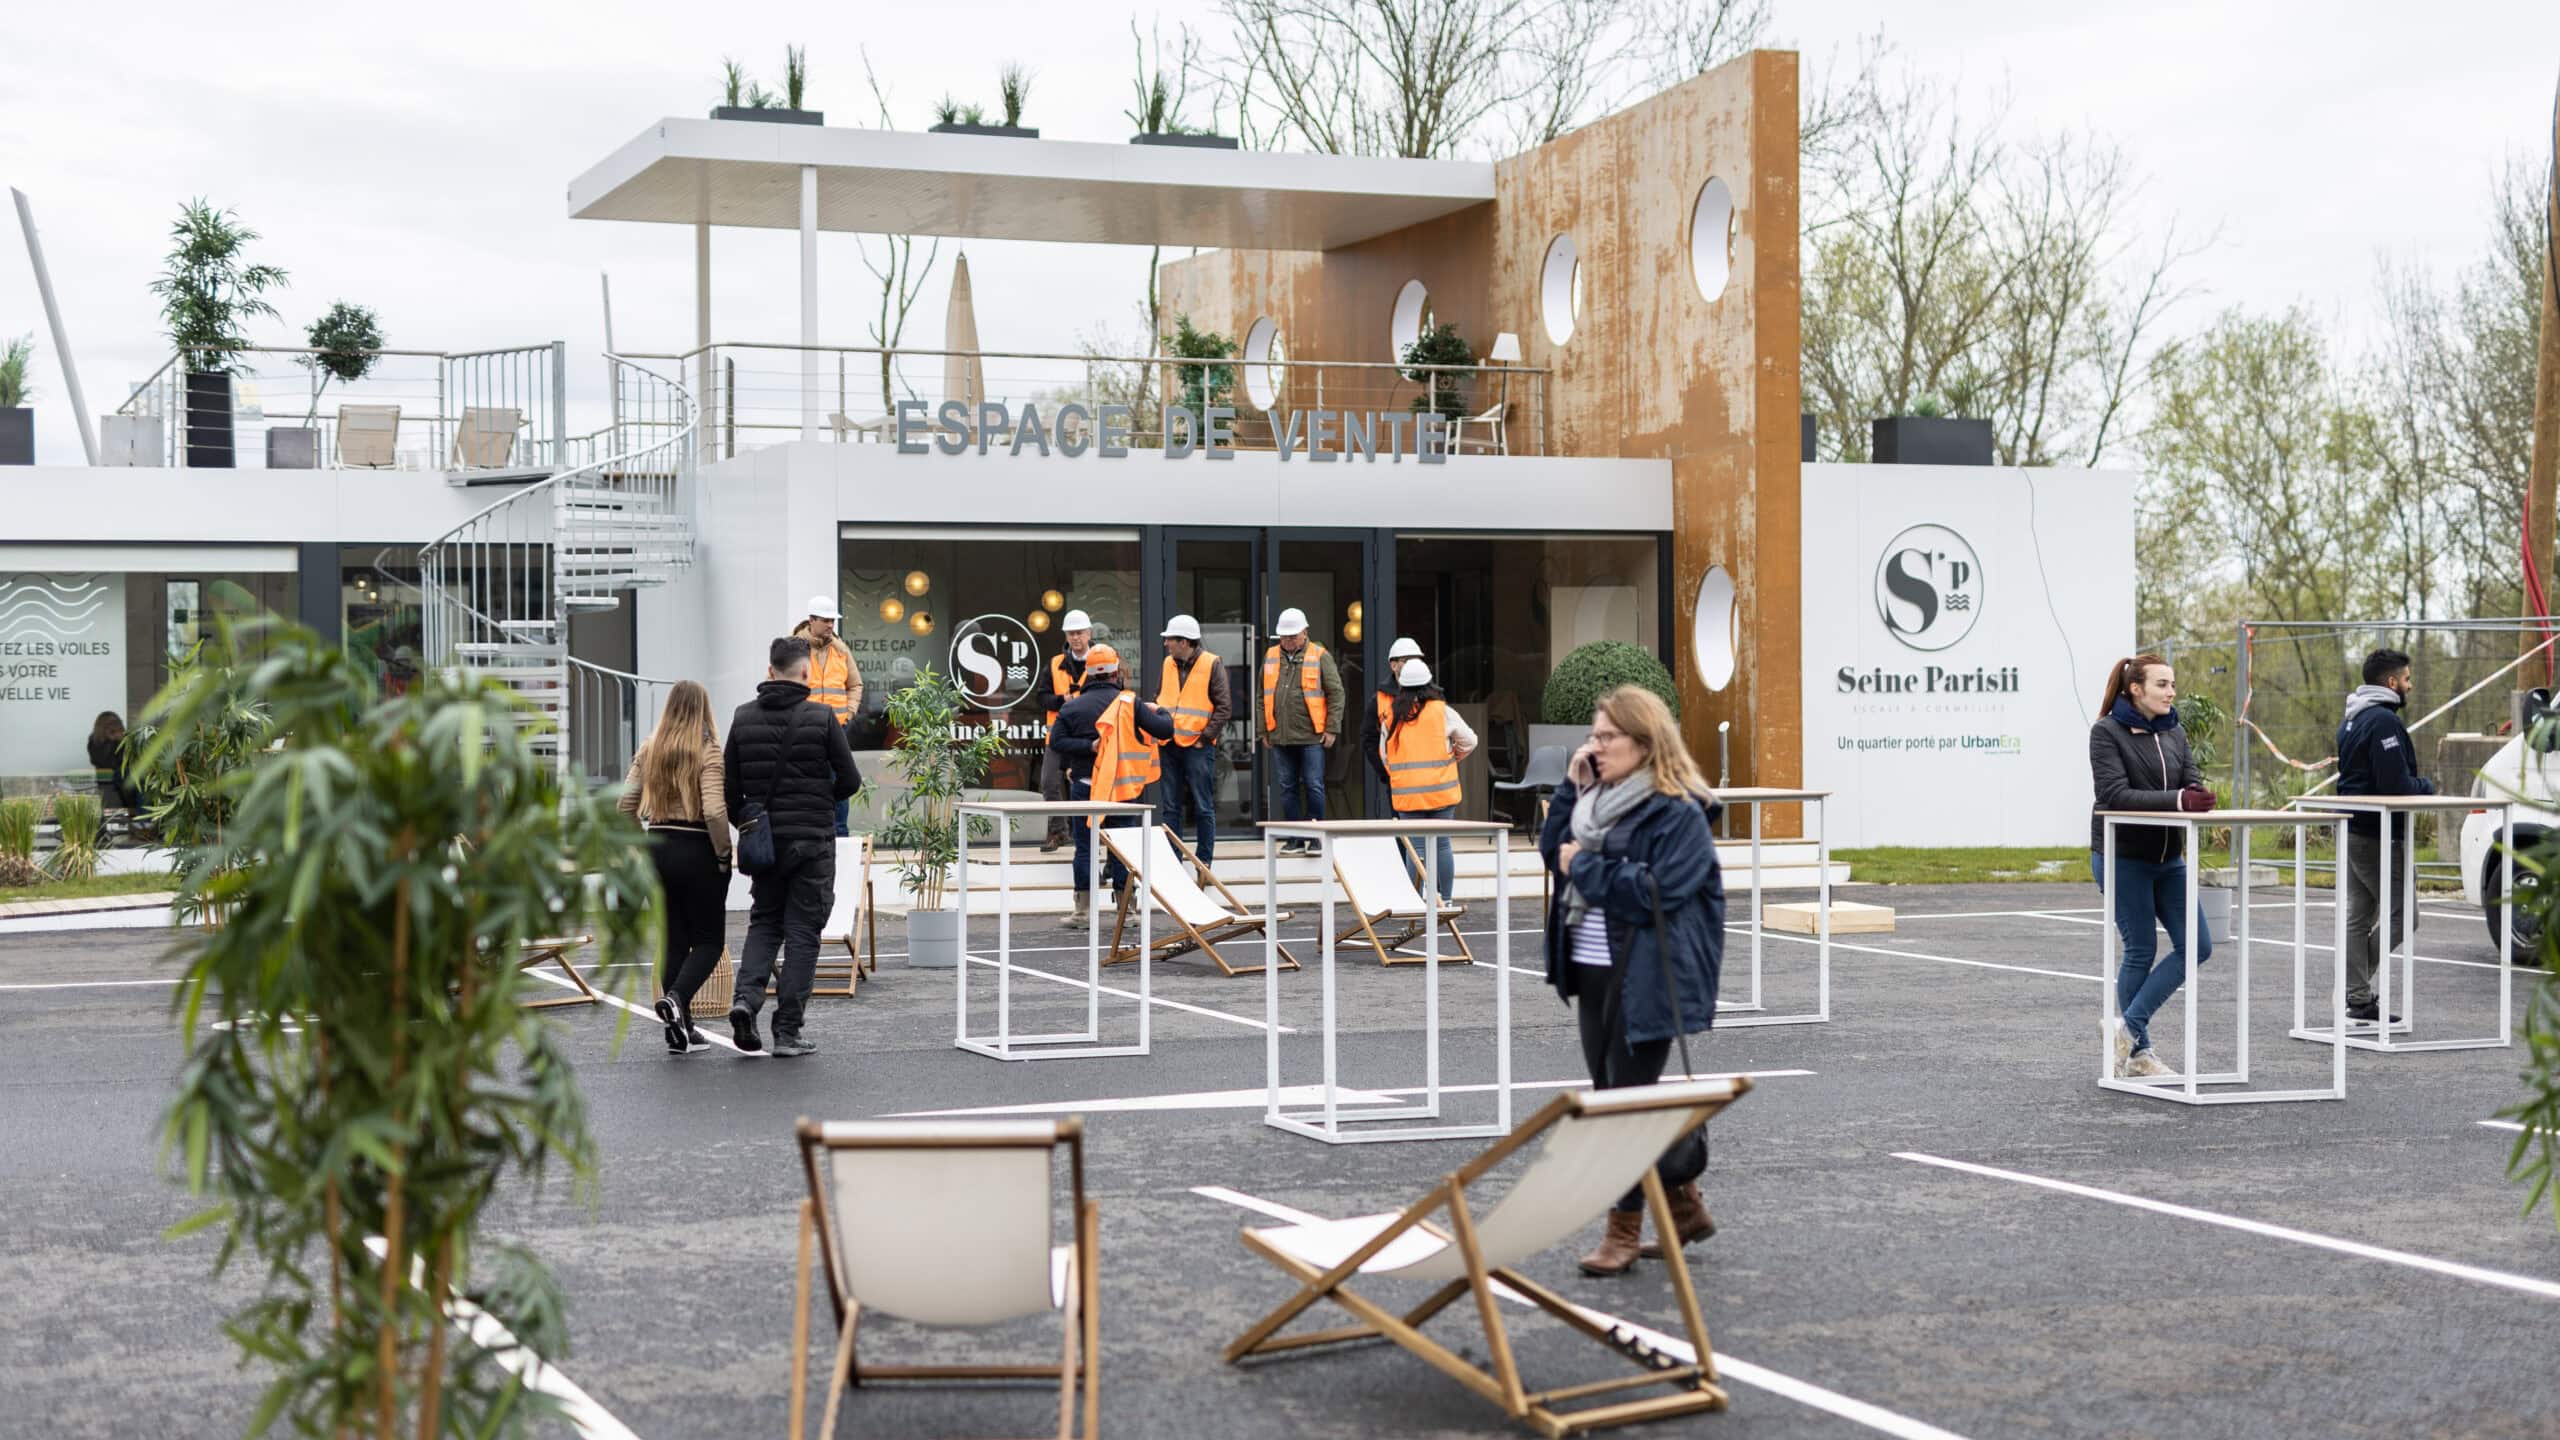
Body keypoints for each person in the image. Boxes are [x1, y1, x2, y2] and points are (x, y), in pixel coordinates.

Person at [1538, 685, 1723, 1276]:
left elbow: (1656, 894)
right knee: (1618, 1093)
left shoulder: (1679, 812)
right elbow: (1552, 852)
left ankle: (1623, 1230)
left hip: (1648, 974)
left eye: (1606, 737)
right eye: (1594, 737)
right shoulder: (1597, 800)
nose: (1596, 746)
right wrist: (1571, 788)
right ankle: (1682, 1201)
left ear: (1644, 743)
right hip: (1592, 970)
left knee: (1621, 1104)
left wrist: (1584, 866)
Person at [723, 636, 862, 1057]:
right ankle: (787, 1032)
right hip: (812, 842)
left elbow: (730, 789)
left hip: (765, 844)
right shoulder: (822, 719)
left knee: (765, 923)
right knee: (803, 933)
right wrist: (820, 798)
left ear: (770, 671)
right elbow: (851, 781)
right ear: (806, 673)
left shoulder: (743, 718)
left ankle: (745, 1000)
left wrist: (750, 823)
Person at [2088, 654, 2217, 1079]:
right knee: (2141, 948)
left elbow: (2191, 779)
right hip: (2122, 856)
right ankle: (2139, 1054)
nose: (2171, 692)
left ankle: (2128, 1030)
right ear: (2135, 689)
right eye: (2162, 684)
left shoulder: (2175, 731)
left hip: (2169, 859)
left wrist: (2197, 793)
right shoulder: (2106, 733)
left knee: (2197, 946)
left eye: (2173, 684)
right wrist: (2180, 801)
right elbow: (2114, 794)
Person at [618, 681, 731, 1055]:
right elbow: (714, 810)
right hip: (697, 847)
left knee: (675, 942)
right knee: (710, 941)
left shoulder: (651, 747)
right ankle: (678, 999)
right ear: (703, 709)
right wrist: (723, 854)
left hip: (659, 846)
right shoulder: (707, 749)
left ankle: (680, 1031)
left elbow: (624, 806)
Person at [2336, 648, 2436, 1025]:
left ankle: (2358, 997)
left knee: (2359, 915)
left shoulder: (2351, 718)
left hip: (2354, 829)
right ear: (2391, 683)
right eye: (2407, 680)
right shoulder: (2382, 722)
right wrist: (2427, 786)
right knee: (2403, 916)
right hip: (2378, 835)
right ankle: (2355, 986)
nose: (2410, 686)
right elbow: (2395, 785)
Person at [1048, 644, 1174, 924]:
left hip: (1085, 787)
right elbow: (1166, 730)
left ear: (1088, 674)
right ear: (1116, 671)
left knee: (1084, 847)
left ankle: (1082, 912)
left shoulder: (1072, 707)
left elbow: (1056, 742)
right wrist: (1161, 710)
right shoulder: (1130, 704)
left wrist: (1088, 745)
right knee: (1123, 849)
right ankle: (1127, 912)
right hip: (1122, 789)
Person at [1379, 659, 1476, 902]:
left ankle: (1416, 900)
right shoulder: (1442, 712)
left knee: (1416, 850)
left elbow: (1385, 755)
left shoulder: (1392, 715)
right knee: (1442, 845)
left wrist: (1403, 775)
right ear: (1429, 685)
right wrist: (1453, 757)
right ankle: (1447, 899)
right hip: (1440, 791)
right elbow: (1470, 740)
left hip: (1407, 795)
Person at [1262, 607, 1344, 855]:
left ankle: (1316, 837)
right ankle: (1296, 839)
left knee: (1313, 785)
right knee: (1287, 787)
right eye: (1284, 637)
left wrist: (1331, 729)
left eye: (1292, 637)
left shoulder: (1320, 656)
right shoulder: (1271, 656)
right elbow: (1261, 695)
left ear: (1305, 632)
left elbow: (1336, 693)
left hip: (1311, 735)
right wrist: (1263, 730)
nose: (1287, 641)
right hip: (1280, 735)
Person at [1155, 614, 1231, 865]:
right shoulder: (1168, 664)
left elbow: (1224, 708)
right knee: (1170, 807)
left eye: (1170, 640)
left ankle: (1204, 860)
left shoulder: (1212, 664)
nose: (1166, 643)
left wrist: (1205, 738)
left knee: (1203, 805)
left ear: (1184, 642)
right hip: (1169, 744)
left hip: (1198, 747)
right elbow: (1161, 697)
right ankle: (1173, 859)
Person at [791, 595, 865, 837]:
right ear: (811, 620)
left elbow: (855, 685)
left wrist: (850, 712)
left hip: (837, 728)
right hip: (804, 729)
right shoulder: (793, 649)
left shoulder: (841, 650)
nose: (832, 625)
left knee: (840, 785)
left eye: (833, 620)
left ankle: (839, 836)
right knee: (804, 783)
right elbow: (778, 682)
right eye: (826, 620)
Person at [1038, 610, 1097, 853]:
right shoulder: (1054, 664)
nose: (1075, 638)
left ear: (1089, 634)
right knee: (1049, 782)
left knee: (1088, 786)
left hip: (1088, 738)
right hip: (1058, 737)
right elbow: (1041, 698)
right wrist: (1063, 700)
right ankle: (1058, 831)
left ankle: (1090, 835)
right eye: (1071, 633)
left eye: (1079, 633)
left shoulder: (1101, 661)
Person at [1361, 636, 1429, 783]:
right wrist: (1386, 773)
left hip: (1430, 779)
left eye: (1417, 660)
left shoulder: (1432, 696)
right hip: (1398, 781)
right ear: (1394, 665)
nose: (1413, 665)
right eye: (1407, 660)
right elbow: (1369, 740)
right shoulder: (1379, 699)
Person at [87, 711, 133, 810]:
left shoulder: (127, 740)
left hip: (127, 783)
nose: (113, 727)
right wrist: (111, 741)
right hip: (107, 784)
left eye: (116, 723)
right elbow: (103, 762)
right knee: (113, 812)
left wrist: (120, 741)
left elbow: (129, 761)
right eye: (109, 725)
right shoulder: (95, 741)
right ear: (101, 727)